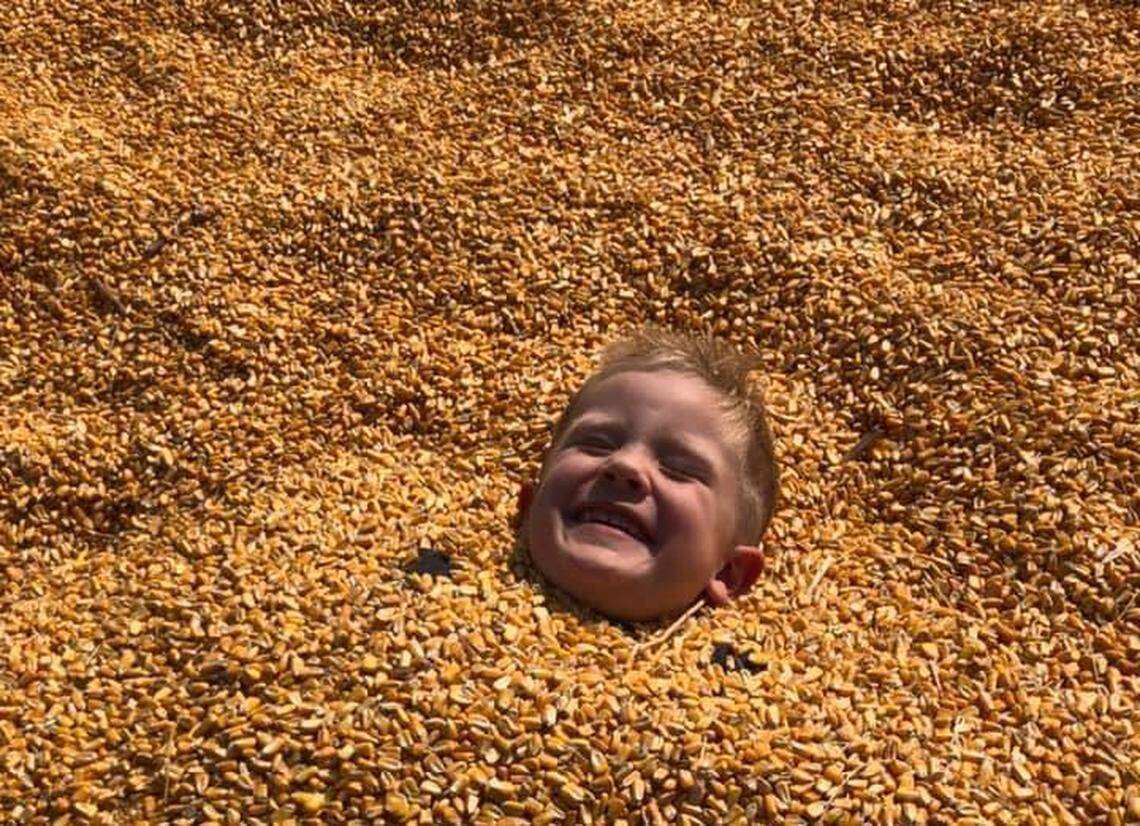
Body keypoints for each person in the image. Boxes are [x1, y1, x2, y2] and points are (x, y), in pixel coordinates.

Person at [513, 327, 780, 622]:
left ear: (730, 572)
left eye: (679, 469)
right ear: (527, 509)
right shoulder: (454, 591)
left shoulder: (739, 662)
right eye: (596, 443)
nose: (626, 465)